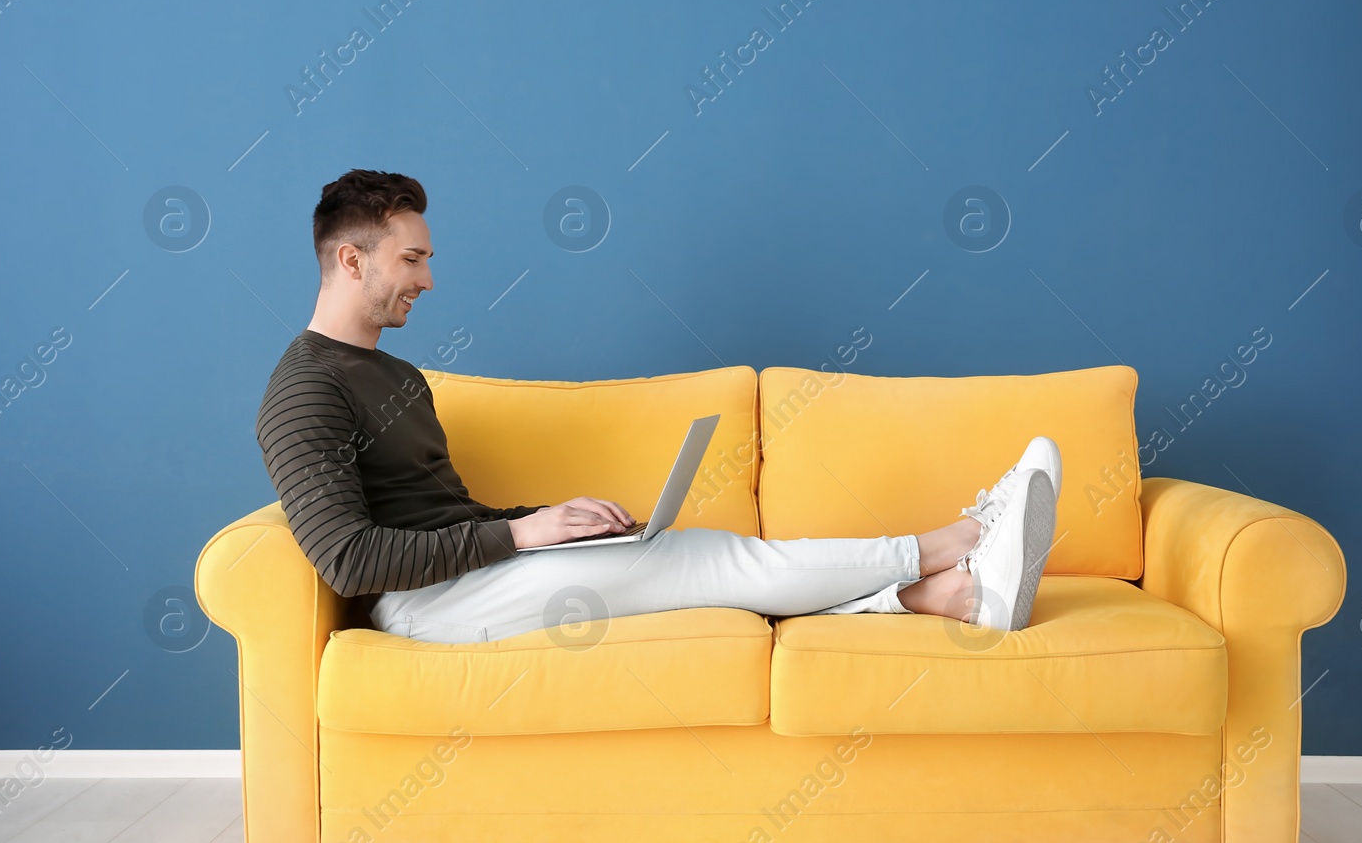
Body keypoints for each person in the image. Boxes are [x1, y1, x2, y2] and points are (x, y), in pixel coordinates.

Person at [255, 169, 1062, 645]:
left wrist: (549, 519)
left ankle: (945, 598)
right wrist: (522, 536)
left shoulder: (398, 377)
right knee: (712, 560)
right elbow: (349, 563)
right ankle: (950, 542)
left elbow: (440, 514)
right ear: (352, 260)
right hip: (421, 609)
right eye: (413, 259)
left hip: (469, 576)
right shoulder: (302, 391)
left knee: (695, 564)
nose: (428, 279)